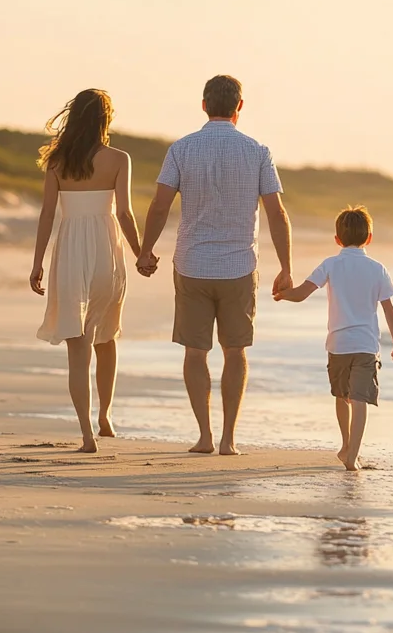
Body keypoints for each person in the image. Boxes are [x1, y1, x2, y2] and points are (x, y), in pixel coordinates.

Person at [134, 75, 293, 456]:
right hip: (239, 266)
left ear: (204, 105)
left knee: (194, 351)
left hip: (192, 264)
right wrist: (286, 267)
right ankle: (228, 439)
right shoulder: (257, 151)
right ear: (240, 107)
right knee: (235, 351)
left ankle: (204, 435)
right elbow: (276, 212)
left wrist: (145, 250)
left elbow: (159, 205)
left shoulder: (182, 148)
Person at [30, 89, 141, 453]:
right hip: (106, 252)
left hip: (70, 251)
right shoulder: (118, 159)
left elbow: (47, 215)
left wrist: (37, 263)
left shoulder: (58, 161)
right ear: (104, 120)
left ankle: (87, 435)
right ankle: (105, 416)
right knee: (106, 337)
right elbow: (124, 213)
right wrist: (142, 254)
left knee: (78, 347)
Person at [275, 206, 393, 471]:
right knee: (360, 399)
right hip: (366, 344)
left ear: (337, 239)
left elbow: (301, 294)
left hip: (338, 344)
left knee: (341, 396)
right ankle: (352, 456)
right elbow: (389, 310)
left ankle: (345, 444)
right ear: (369, 237)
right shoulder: (377, 269)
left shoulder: (331, 264)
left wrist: (282, 294)